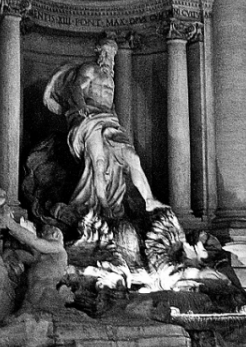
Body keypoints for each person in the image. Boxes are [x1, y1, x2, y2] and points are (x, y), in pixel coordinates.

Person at [43, 37, 164, 218]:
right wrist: (81, 106)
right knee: (97, 162)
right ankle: (103, 204)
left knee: (132, 158)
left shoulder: (111, 79)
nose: (109, 58)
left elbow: (110, 104)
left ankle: (149, 200)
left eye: (112, 55)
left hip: (109, 121)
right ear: (99, 54)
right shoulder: (90, 69)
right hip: (89, 118)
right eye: (106, 53)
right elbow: (77, 87)